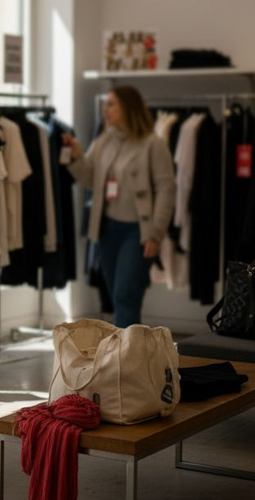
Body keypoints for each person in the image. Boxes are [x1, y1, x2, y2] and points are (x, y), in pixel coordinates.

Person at [63, 86, 175, 327]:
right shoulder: (104, 141)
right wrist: (76, 156)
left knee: (126, 297)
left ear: (129, 107)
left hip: (137, 233)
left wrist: (155, 233)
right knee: (116, 297)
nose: (106, 109)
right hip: (107, 230)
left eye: (112, 104)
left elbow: (166, 190)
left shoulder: (152, 144)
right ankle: (126, 346)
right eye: (106, 104)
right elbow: (89, 179)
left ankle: (126, 349)